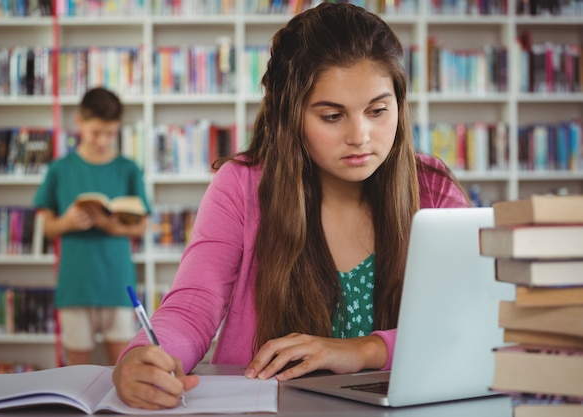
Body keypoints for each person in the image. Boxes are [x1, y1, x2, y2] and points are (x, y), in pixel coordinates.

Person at [113, 2, 469, 410]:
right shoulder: (242, 185)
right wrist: (146, 359)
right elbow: (193, 306)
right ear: (290, 115)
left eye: (378, 111)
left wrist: (364, 350)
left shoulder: (432, 188)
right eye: (333, 116)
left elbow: (468, 321)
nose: (361, 135)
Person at [33, 87, 151, 366]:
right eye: (96, 132)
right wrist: (68, 222)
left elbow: (142, 227)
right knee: (77, 368)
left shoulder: (128, 169)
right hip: (76, 284)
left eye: (110, 134)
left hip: (117, 283)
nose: (103, 140)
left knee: (122, 366)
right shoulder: (60, 169)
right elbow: (46, 227)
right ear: (79, 122)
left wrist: (111, 228)